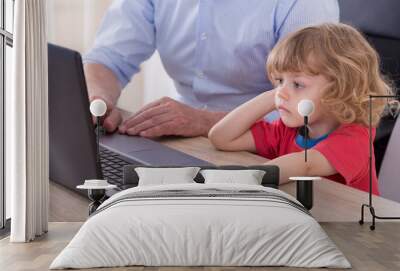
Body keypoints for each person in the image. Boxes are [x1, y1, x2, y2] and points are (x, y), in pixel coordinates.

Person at [83, 0, 339, 138]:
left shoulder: (305, 3)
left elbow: (311, 108)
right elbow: (109, 57)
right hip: (184, 141)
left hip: (269, 148)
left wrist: (204, 121)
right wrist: (99, 100)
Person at [208, 23, 394, 194]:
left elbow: (305, 165)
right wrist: (271, 97)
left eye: (297, 84)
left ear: (341, 89)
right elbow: (222, 137)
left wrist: (238, 180)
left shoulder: (355, 138)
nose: (282, 92)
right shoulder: (287, 130)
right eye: (280, 81)